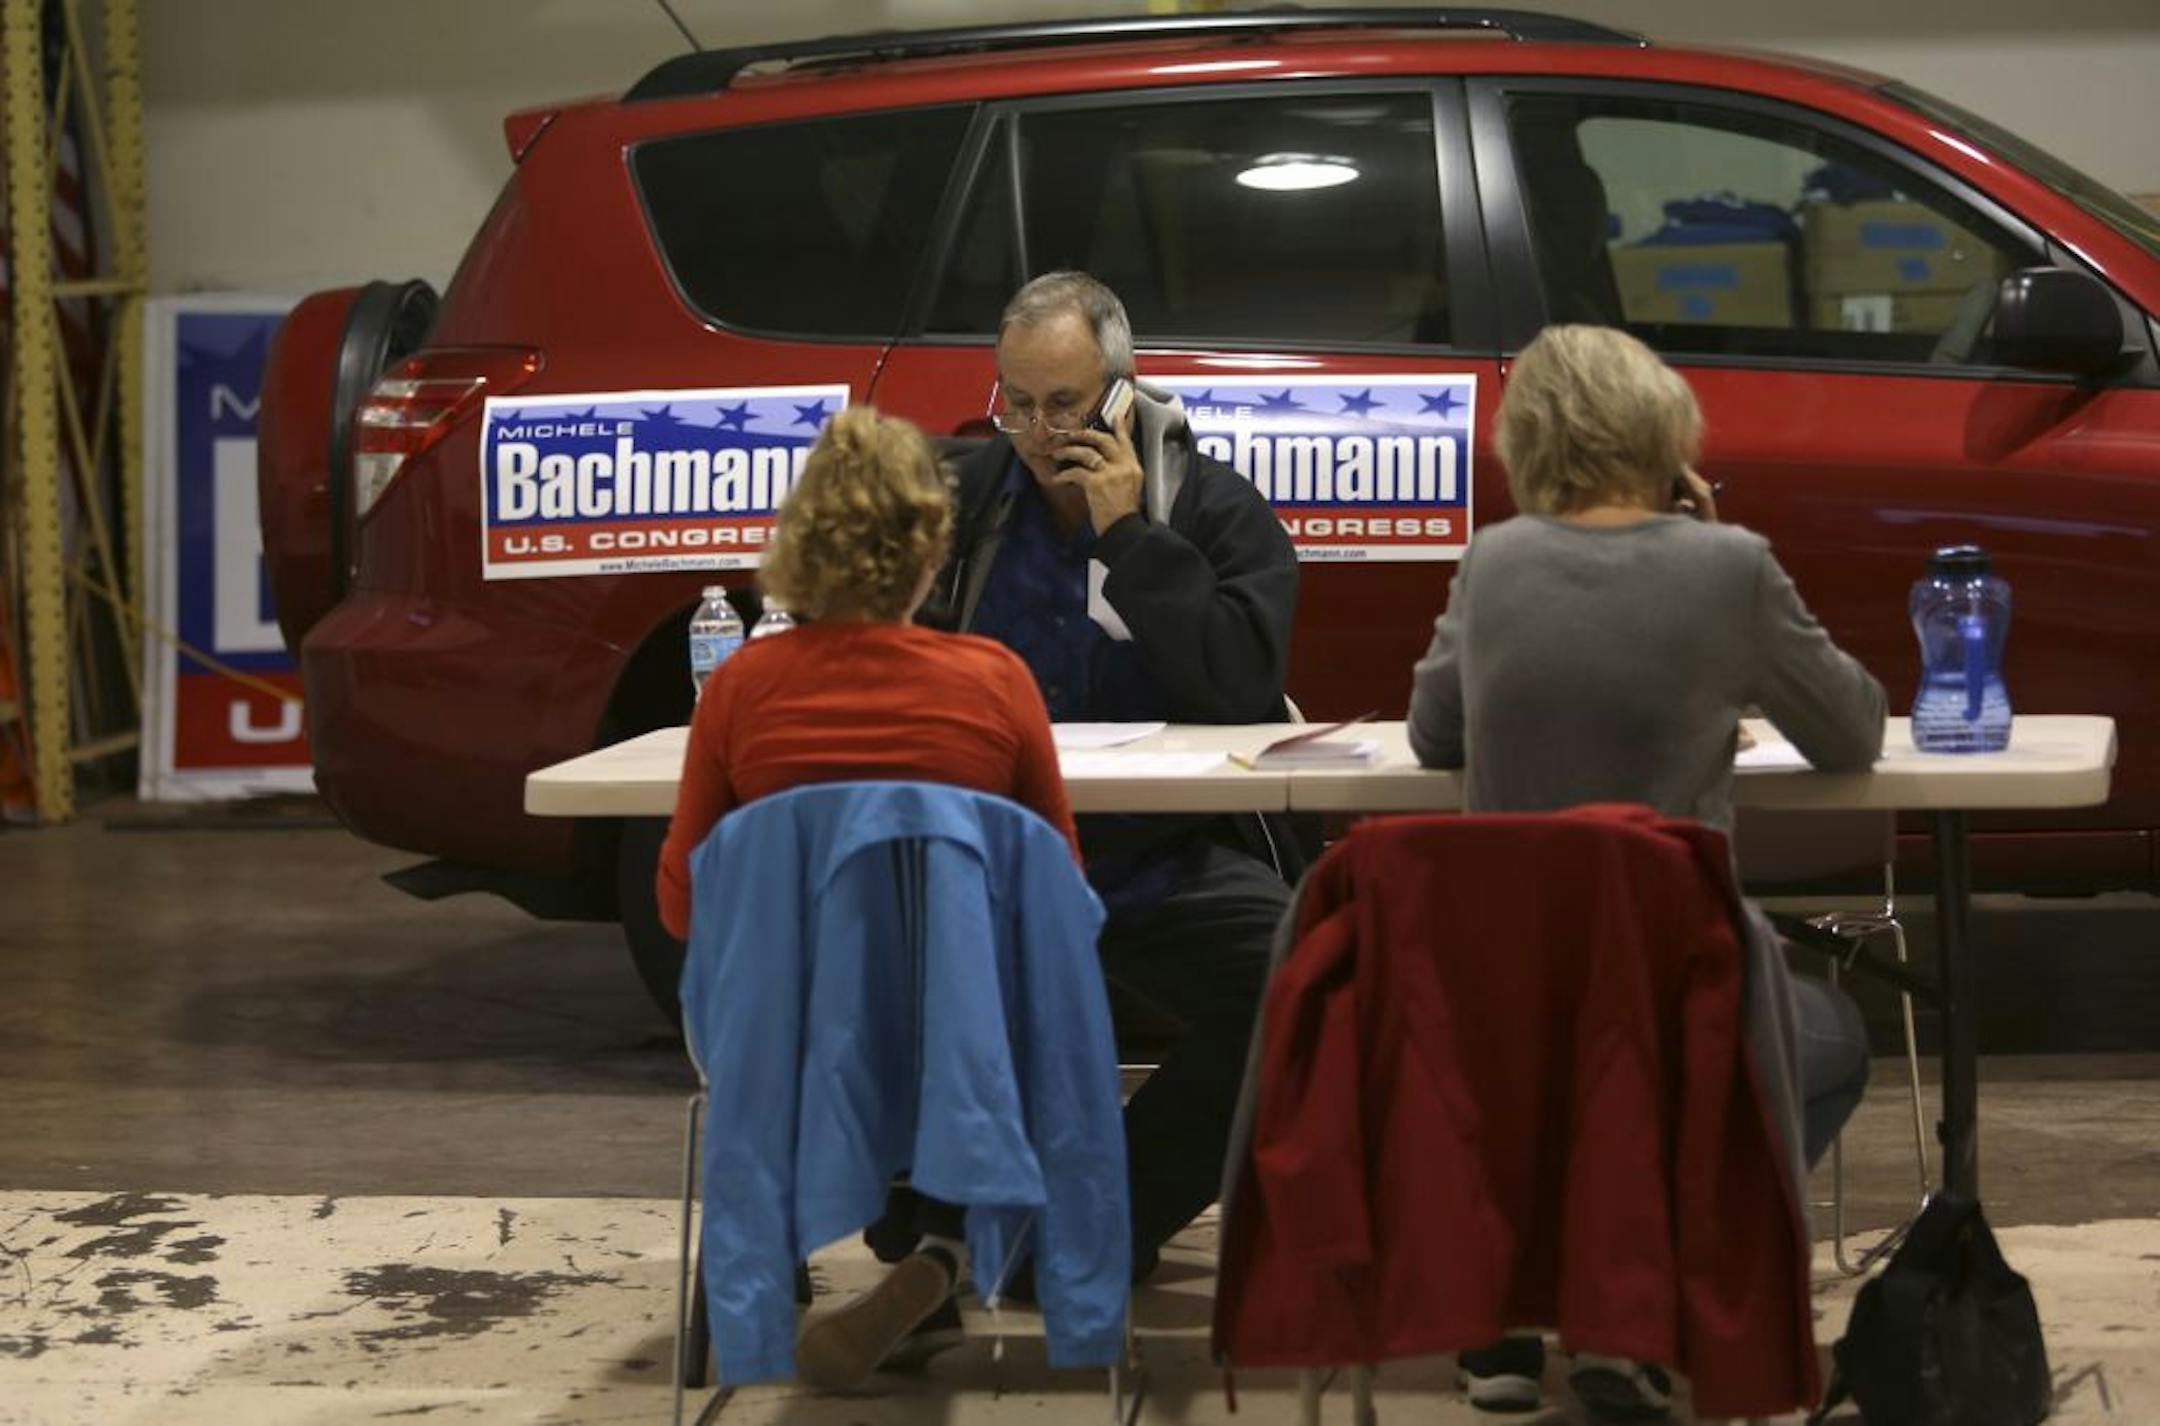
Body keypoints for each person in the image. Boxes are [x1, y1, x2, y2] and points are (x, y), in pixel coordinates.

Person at [1405, 324, 1883, 1421]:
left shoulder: (1493, 560)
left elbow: (1436, 733)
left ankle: (1504, 1330)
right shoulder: (1731, 567)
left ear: (1528, 441)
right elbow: (1852, 729)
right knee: (1834, 1044)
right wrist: (1716, 555)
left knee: (1551, 1054)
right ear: (1670, 440)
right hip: (1681, 1000)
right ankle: (1645, 1300)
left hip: (1501, 1014)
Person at [655, 404, 1081, 1390]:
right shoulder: (996, 681)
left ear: (800, 544)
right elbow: (1055, 896)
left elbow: (684, 906)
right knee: (966, 1005)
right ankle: (941, 1258)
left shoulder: (740, 689)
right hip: (958, 1051)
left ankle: (778, 1254)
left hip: (781, 1051)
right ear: (933, 545)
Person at [924, 270, 1302, 1283]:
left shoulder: (1210, 507)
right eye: (1019, 403)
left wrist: (1133, 539)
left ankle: (1101, 1224)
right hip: (987, 862)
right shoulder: (961, 505)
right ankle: (932, 1240)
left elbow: (1241, 685)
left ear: (1123, 396)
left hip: (1153, 855)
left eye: (1065, 405)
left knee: (1303, 977)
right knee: (865, 945)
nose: (1040, 433)